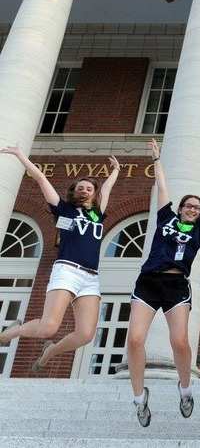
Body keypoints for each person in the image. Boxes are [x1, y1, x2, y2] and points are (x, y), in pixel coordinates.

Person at [127, 139, 200, 427]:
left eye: (196, 207)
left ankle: (185, 388)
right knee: (135, 339)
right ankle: (140, 398)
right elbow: (162, 188)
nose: (191, 209)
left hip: (177, 286)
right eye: (188, 205)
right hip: (148, 282)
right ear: (180, 209)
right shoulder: (165, 218)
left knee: (179, 341)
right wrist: (157, 160)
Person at [0, 146, 120, 372]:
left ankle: (50, 351)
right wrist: (20, 155)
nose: (85, 190)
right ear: (74, 192)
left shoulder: (96, 213)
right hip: (67, 270)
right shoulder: (64, 209)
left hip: (91, 278)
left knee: (85, 334)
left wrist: (115, 170)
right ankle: (13, 331)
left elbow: (108, 188)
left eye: (89, 188)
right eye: (80, 187)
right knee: (48, 328)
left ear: (94, 193)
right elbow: (40, 178)